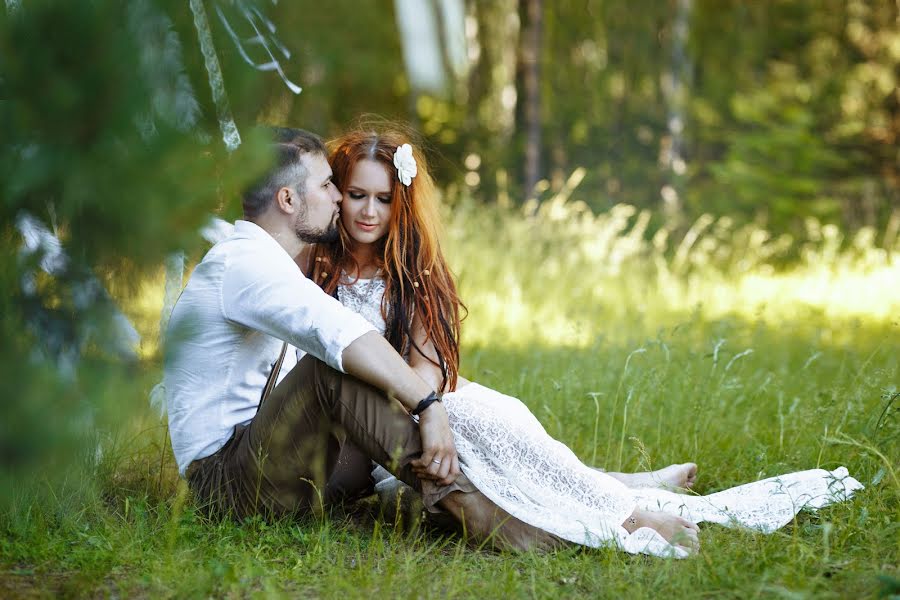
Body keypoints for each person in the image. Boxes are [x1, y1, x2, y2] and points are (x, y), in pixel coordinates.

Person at [306, 125, 864, 558]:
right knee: (482, 466)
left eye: (382, 199)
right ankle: (626, 495)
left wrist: (424, 408)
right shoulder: (317, 265)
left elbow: (427, 372)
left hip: (420, 403)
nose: (369, 212)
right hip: (362, 430)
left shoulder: (415, 270)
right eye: (356, 195)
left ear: (399, 203)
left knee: (489, 427)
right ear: (337, 194)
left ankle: (628, 509)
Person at [163, 129, 565, 551]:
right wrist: (428, 408)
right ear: (287, 199)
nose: (337, 198)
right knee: (328, 371)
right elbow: (338, 331)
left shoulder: (267, 261)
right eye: (325, 186)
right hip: (225, 483)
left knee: (372, 419)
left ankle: (518, 496)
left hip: (269, 460)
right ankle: (481, 512)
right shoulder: (244, 264)